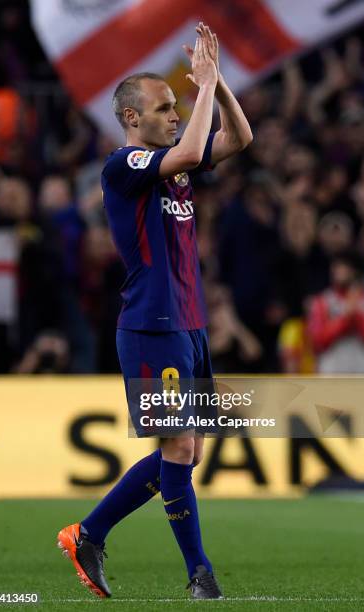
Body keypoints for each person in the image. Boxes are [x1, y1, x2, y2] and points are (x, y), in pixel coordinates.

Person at [57, 22, 252, 599]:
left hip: (189, 326)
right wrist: (206, 85)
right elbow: (193, 147)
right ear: (130, 118)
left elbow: (240, 140)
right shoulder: (125, 166)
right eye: (164, 106)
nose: (173, 113)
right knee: (180, 449)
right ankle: (200, 574)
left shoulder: (173, 165)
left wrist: (219, 89)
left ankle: (87, 533)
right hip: (151, 324)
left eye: (176, 106)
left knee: (181, 454)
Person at [307, 251, 364, 373]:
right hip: (331, 374)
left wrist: (357, 316)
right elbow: (317, 340)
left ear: (354, 270)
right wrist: (344, 319)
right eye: (335, 266)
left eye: (342, 266)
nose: (336, 271)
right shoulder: (322, 301)